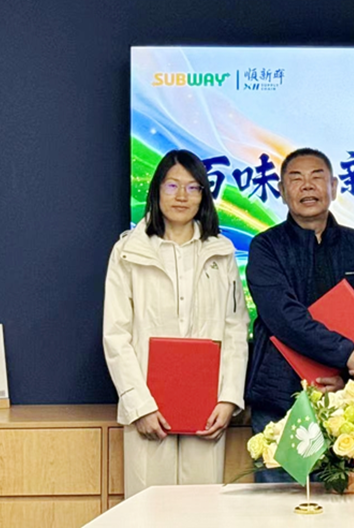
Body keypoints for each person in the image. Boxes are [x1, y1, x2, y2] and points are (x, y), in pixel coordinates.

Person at [102, 149, 249, 498]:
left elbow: (235, 329)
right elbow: (116, 335)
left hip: (207, 407)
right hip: (149, 407)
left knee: (201, 508)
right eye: (172, 185)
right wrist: (140, 405)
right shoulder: (128, 251)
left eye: (193, 187)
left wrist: (228, 399)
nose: (182, 196)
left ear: (204, 196)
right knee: (149, 509)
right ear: (156, 190)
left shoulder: (221, 252)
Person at [245, 148, 354, 481]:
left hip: (348, 403)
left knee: (345, 502)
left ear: (334, 187)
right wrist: (347, 354)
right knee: (279, 502)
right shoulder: (266, 246)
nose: (307, 185)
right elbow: (284, 317)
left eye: (317, 176)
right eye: (296, 178)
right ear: (282, 191)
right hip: (282, 400)